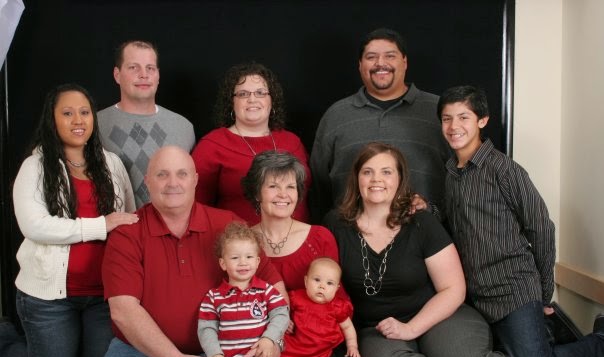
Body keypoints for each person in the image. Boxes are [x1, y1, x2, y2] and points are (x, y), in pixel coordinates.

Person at [325, 142, 523, 357]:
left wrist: (411, 329)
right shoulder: (335, 224)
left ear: (400, 179)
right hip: (378, 328)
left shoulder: (421, 221)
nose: (376, 180)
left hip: (439, 316)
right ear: (356, 178)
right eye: (367, 172)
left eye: (386, 172)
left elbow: (453, 288)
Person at [438, 85, 604, 357]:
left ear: (482, 120)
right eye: (447, 119)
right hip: (476, 295)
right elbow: (454, 223)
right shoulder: (451, 173)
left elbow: (541, 228)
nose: (453, 126)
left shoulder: (504, 170)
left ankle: (601, 342)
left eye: (463, 117)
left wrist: (542, 294)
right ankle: (544, 338)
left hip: (514, 290)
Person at [100, 146, 287, 357]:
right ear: (147, 181)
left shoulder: (227, 224)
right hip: (140, 353)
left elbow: (275, 286)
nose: (173, 183)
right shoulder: (127, 233)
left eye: (182, 174)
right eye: (162, 174)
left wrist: (274, 344)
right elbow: (123, 311)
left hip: (224, 355)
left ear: (195, 179)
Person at [0, 83, 137, 357]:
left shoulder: (111, 163)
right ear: (52, 120)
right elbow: (34, 226)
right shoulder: (35, 166)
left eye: (85, 112)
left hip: (102, 295)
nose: (78, 120)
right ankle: (4, 338)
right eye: (67, 113)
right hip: (50, 299)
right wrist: (101, 225)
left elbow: (128, 218)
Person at [241, 151, 371, 357]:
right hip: (280, 348)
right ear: (257, 193)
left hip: (326, 340)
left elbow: (338, 296)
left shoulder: (319, 237)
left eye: (290, 187)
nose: (283, 194)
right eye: (273, 186)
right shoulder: (243, 243)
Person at [310, 28, 450, 223]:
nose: (380, 63)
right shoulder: (336, 115)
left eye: (390, 56)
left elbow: (461, 179)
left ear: (405, 62)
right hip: (348, 235)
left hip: (425, 235)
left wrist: (433, 212)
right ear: (360, 65)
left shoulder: (440, 111)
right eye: (371, 57)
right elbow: (318, 188)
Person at [192, 62, 310, 225]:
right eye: (243, 94)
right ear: (232, 102)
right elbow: (196, 208)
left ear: (271, 100)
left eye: (260, 93)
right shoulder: (212, 146)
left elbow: (308, 198)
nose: (252, 99)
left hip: (297, 237)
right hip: (237, 239)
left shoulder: (293, 142)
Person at [198, 221, 289, 357]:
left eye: (249, 257)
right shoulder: (214, 296)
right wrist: (214, 354)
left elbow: (281, 314)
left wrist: (269, 338)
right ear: (223, 263)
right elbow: (206, 328)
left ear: (257, 262)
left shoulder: (266, 291)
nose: (243, 263)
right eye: (235, 258)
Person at [98, 40, 195, 208]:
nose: (144, 75)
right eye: (133, 67)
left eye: (150, 68)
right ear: (117, 75)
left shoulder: (183, 127)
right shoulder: (95, 125)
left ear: (158, 75)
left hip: (174, 224)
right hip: (117, 223)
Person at [278, 258, 361, 357]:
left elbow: (347, 327)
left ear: (337, 288)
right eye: (317, 280)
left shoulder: (337, 306)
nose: (322, 286)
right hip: (298, 346)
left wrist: (352, 345)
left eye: (329, 283)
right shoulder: (296, 298)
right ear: (306, 281)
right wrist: (285, 318)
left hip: (323, 349)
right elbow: (281, 308)